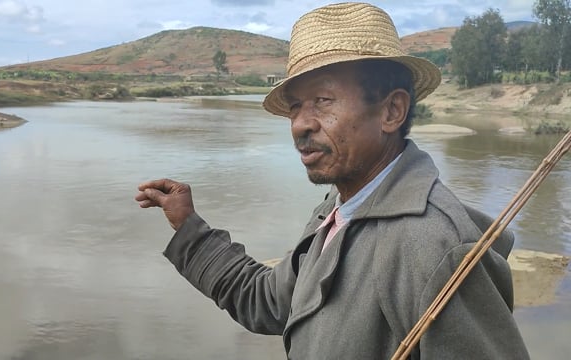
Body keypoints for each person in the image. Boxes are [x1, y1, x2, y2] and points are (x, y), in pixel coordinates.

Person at [135, 2, 530, 359]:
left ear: (392, 111)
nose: (301, 125)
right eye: (295, 107)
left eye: (323, 101)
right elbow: (269, 302)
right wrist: (189, 227)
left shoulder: (432, 248)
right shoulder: (338, 210)